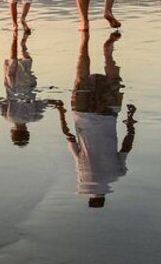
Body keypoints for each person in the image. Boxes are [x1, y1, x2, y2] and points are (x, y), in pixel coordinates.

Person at [59, 32, 138, 208]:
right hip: (83, 114)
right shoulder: (81, 176)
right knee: (81, 76)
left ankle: (107, 53)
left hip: (108, 115)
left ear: (104, 196)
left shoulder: (116, 175)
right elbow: (70, 140)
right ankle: (84, 41)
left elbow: (127, 146)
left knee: (113, 80)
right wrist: (60, 111)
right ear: (91, 197)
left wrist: (131, 120)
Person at [0, 32, 62, 147]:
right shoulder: (9, 117)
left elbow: (47, 102)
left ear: (27, 132)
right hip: (11, 85)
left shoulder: (35, 116)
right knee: (13, 59)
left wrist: (58, 106)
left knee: (27, 60)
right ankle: (14, 35)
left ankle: (22, 44)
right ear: (12, 132)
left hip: (28, 85)